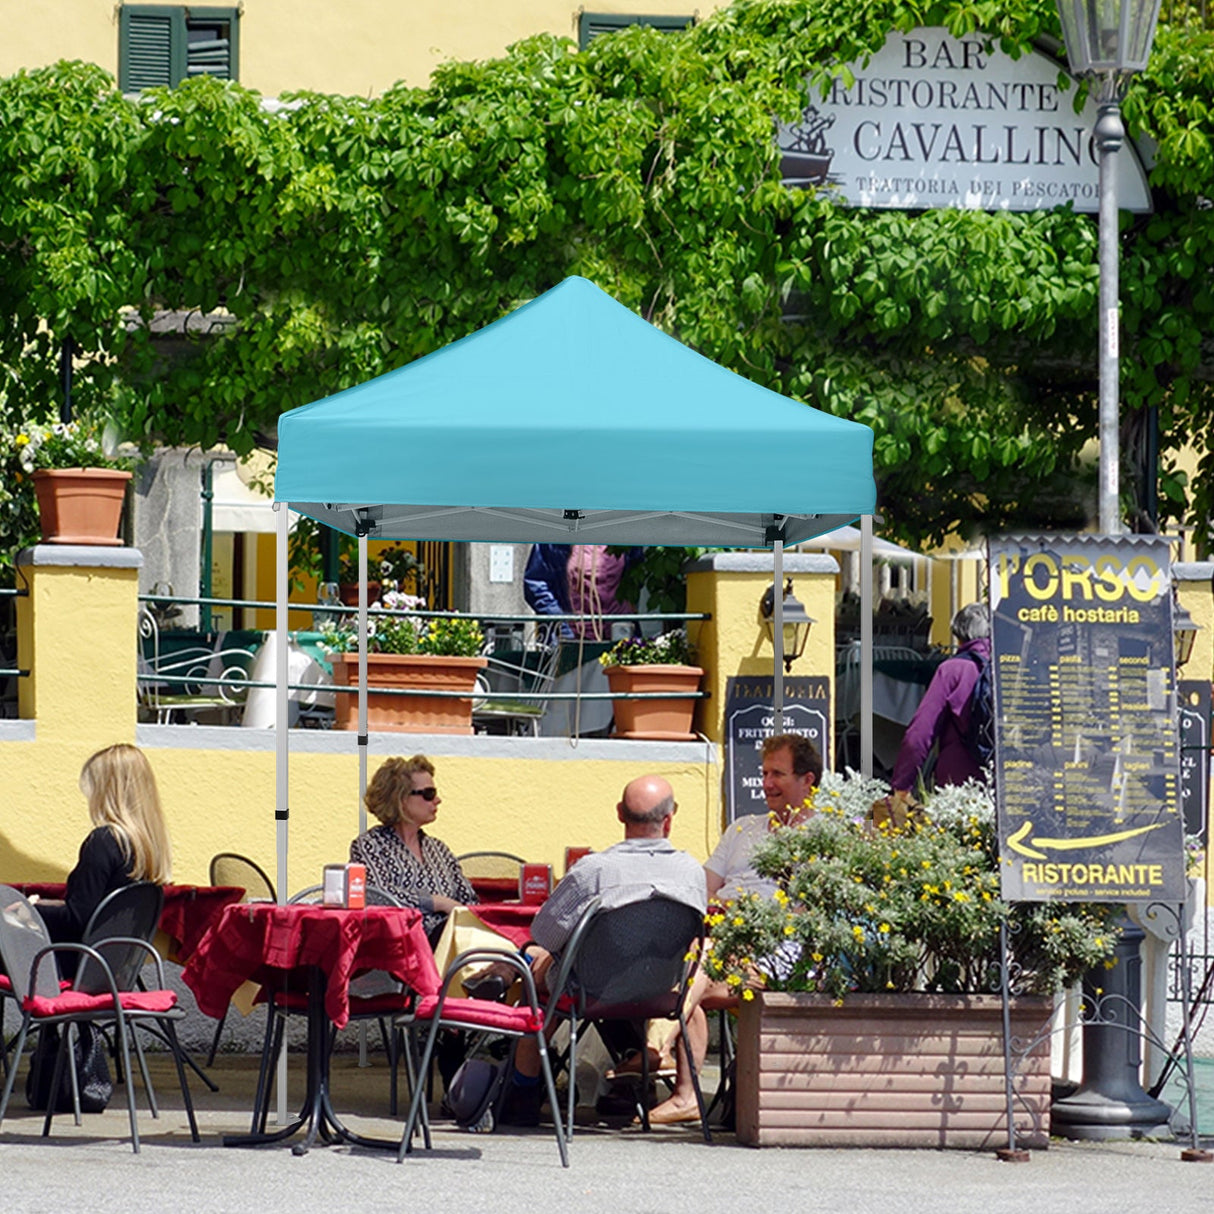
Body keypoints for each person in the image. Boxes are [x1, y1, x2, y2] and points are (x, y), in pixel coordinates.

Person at [497, 774, 706, 1126]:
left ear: (620, 814)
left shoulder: (594, 870)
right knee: (570, 967)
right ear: (669, 819)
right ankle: (637, 1071)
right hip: (661, 988)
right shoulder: (691, 872)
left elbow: (545, 932)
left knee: (537, 971)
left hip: (590, 988)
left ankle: (523, 1091)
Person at [646, 732, 822, 1125]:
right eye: (763, 772)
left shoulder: (823, 835)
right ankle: (683, 1091)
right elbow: (702, 891)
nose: (767, 783)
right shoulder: (744, 828)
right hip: (720, 942)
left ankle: (658, 1046)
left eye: (778, 773)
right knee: (686, 964)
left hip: (774, 951)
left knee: (694, 965)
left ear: (808, 779)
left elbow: (804, 915)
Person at [35, 743, 173, 946]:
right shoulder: (147, 847)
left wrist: (31, 909)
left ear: (107, 791)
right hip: (114, 961)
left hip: (76, 958)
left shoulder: (104, 841)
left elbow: (77, 920)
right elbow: (93, 908)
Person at [348, 755, 476, 945]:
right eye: (429, 794)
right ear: (401, 799)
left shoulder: (439, 850)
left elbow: (469, 901)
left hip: (454, 938)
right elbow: (377, 896)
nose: (437, 800)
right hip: (404, 945)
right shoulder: (370, 845)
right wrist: (436, 902)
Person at [890, 602, 991, 795]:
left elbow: (919, 735)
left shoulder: (951, 670)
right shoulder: (1010, 670)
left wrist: (901, 787)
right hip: (1009, 786)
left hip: (958, 784)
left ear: (959, 636)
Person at [522, 543, 574, 638]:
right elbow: (536, 582)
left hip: (605, 632)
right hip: (562, 635)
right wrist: (560, 623)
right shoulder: (551, 542)